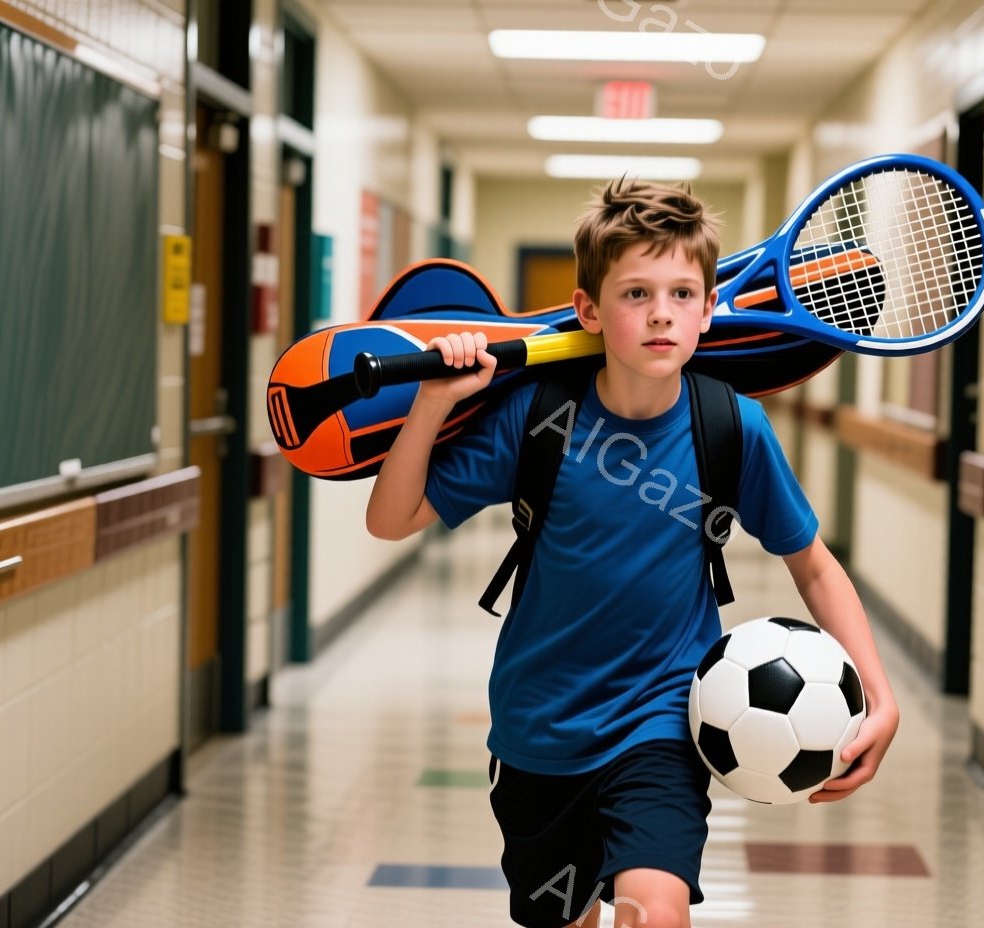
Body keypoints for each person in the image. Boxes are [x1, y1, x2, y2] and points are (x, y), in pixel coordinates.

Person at [365, 179, 900, 928]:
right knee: (569, 916)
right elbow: (391, 519)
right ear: (588, 310)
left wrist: (879, 692)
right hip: (539, 728)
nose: (660, 313)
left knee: (654, 909)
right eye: (636, 293)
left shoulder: (731, 426)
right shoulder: (537, 416)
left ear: (709, 310)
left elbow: (813, 562)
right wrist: (433, 402)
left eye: (682, 293)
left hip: (664, 719)